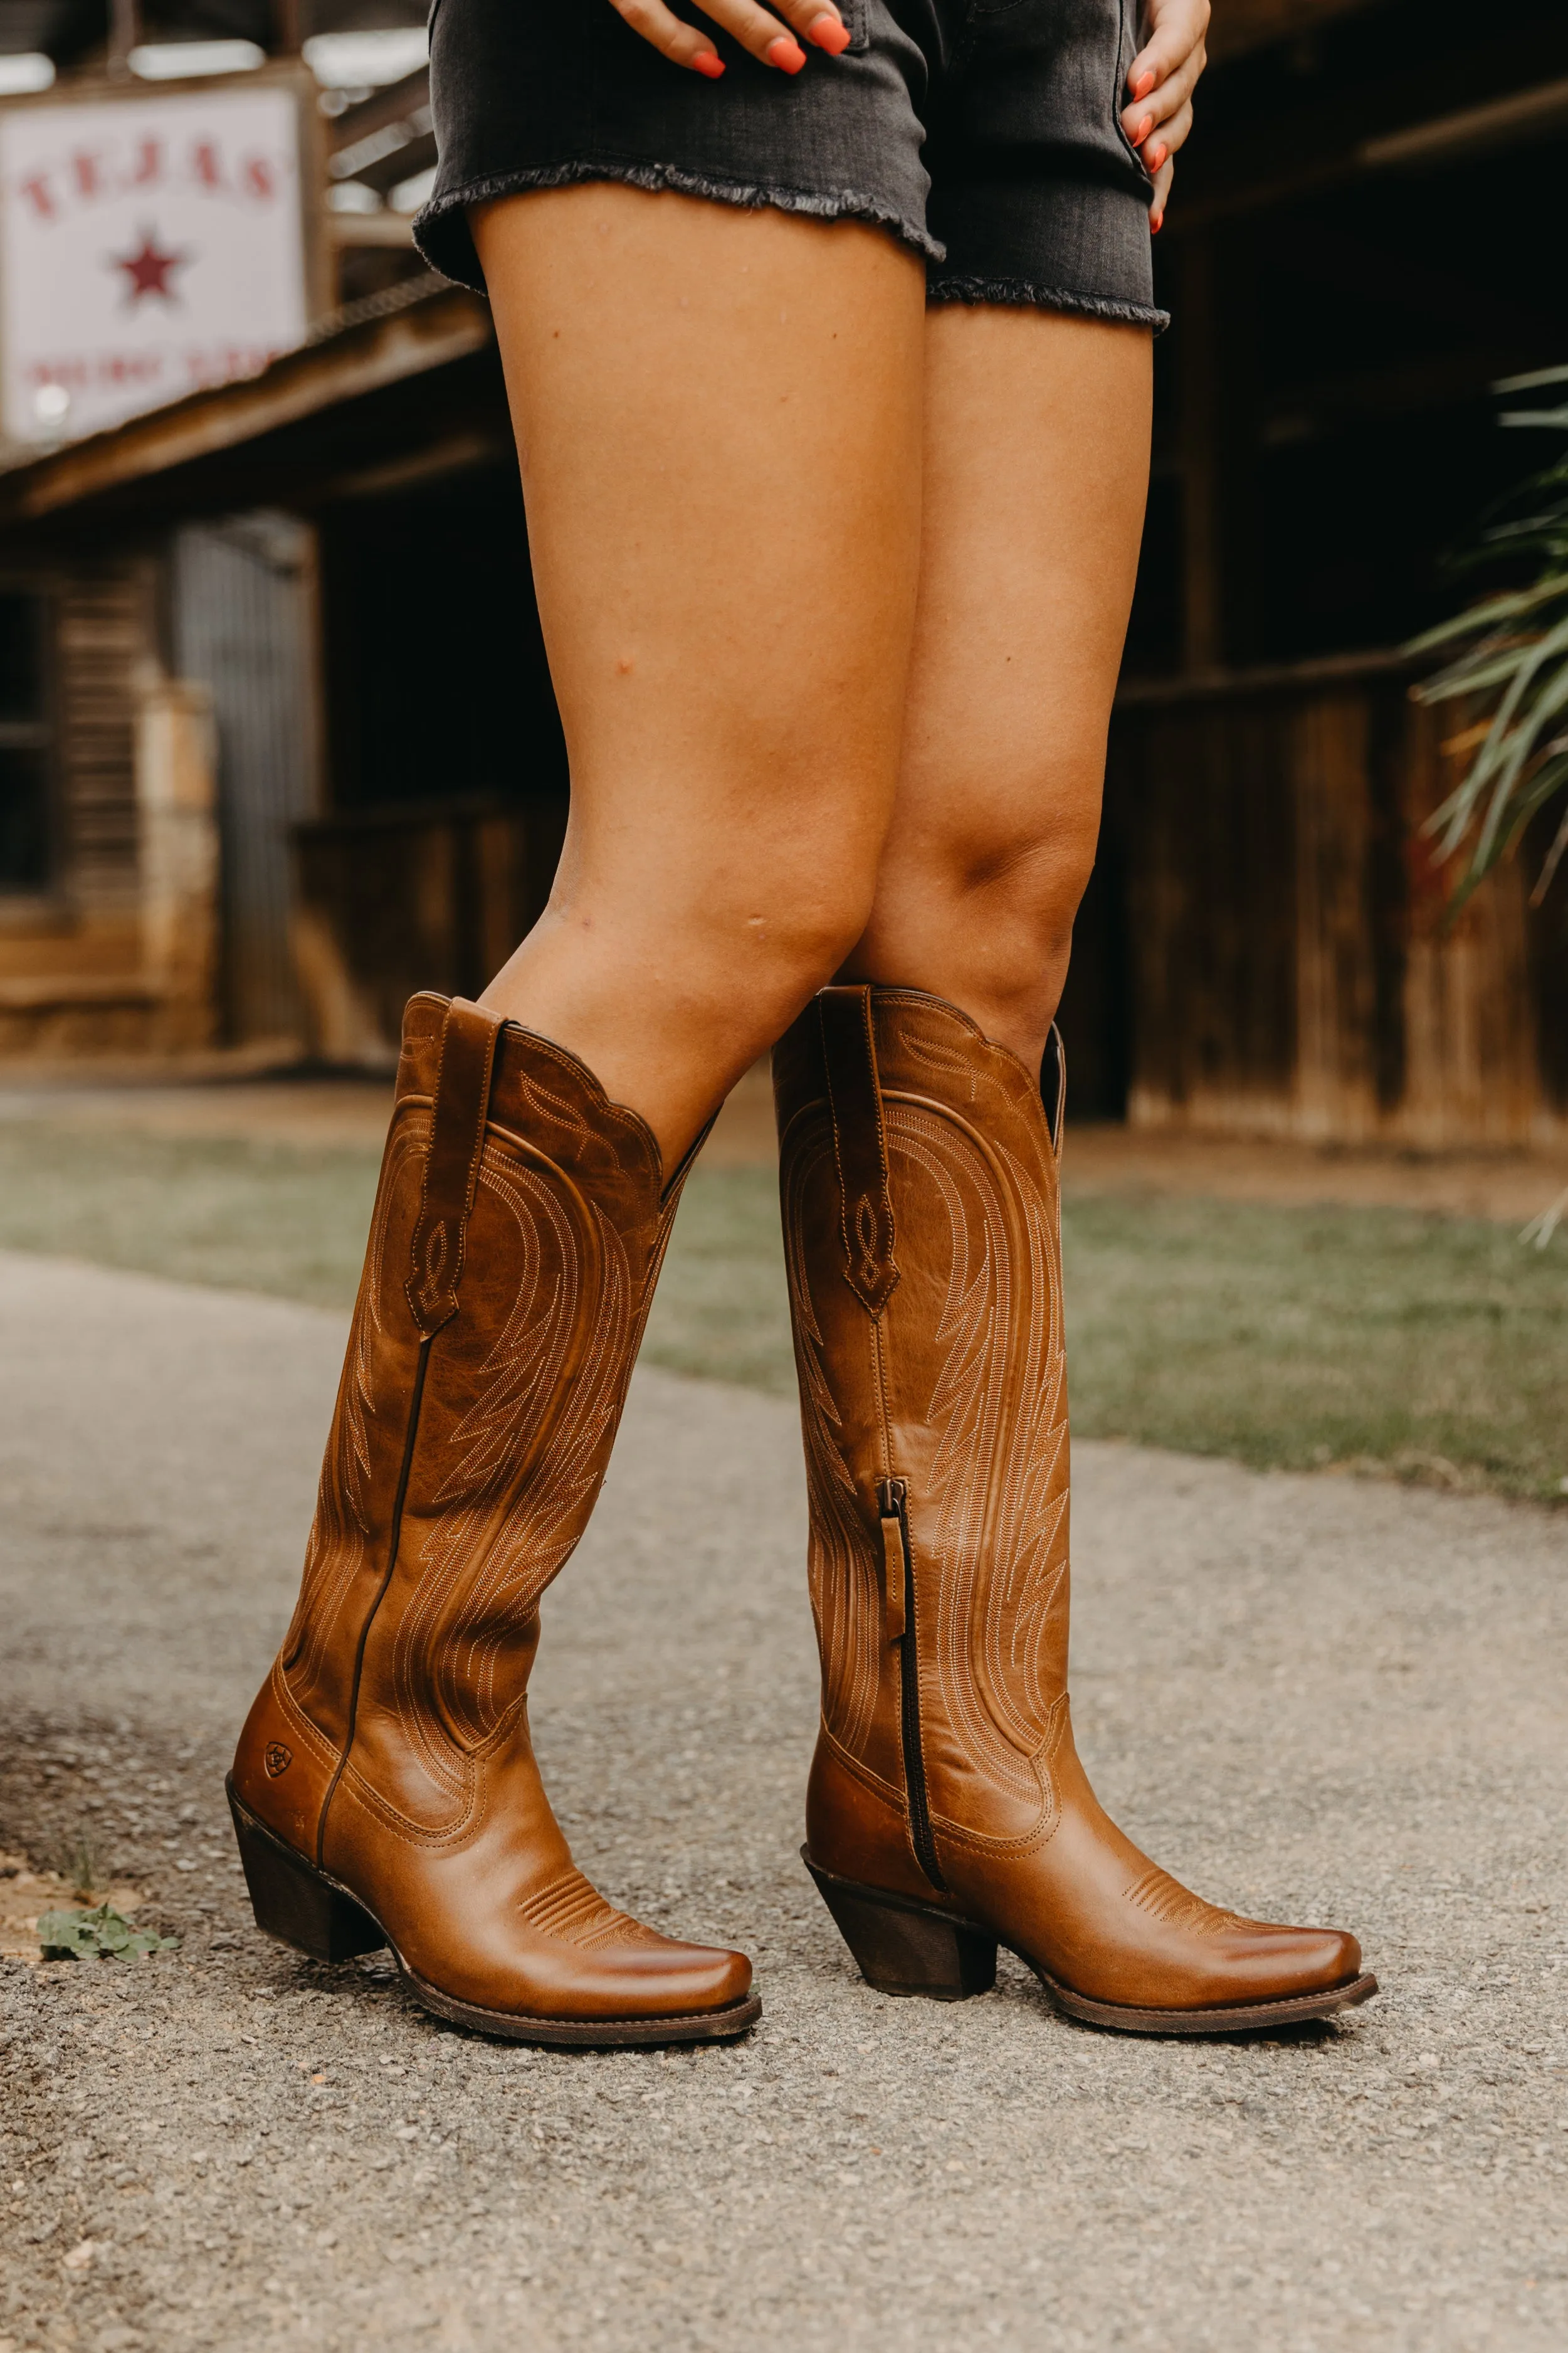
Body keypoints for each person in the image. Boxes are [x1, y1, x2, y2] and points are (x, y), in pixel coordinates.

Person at [227, 0, 1377, 2043]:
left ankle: (956, 1772)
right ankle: (377, 1719)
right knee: (725, 878)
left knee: (984, 910)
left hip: (1055, 43)